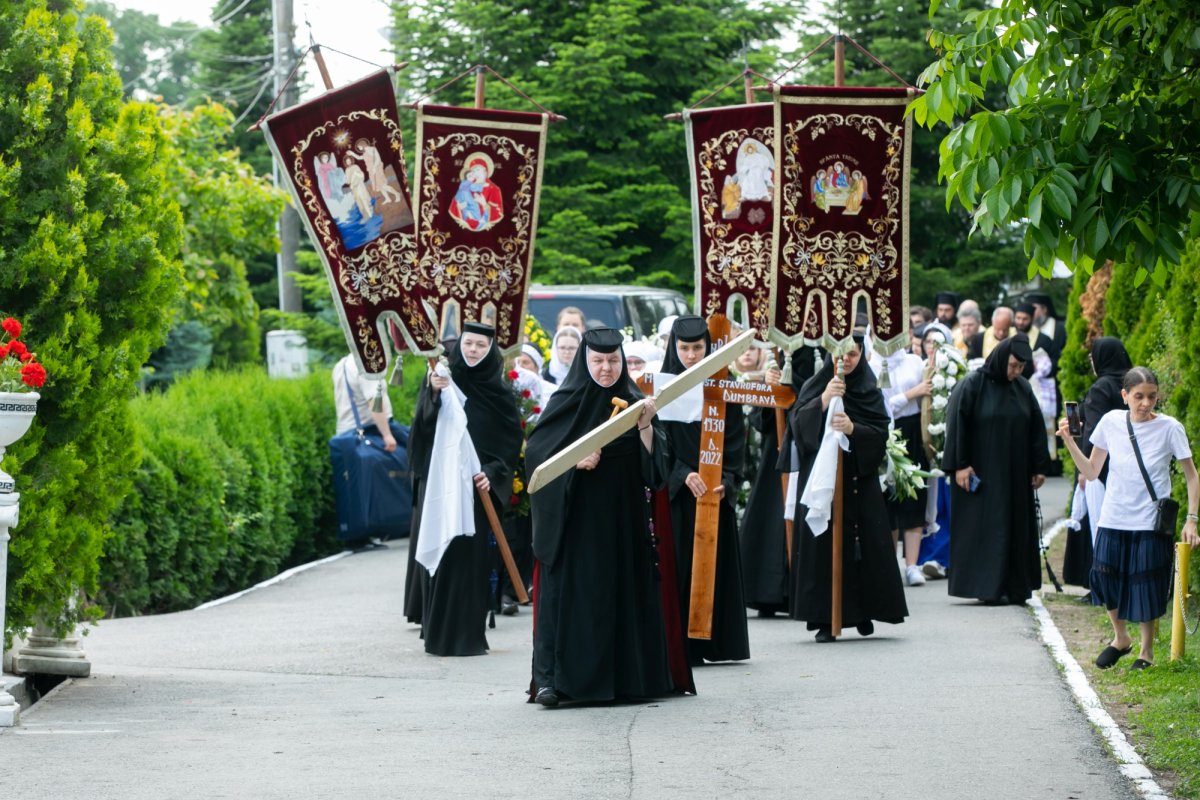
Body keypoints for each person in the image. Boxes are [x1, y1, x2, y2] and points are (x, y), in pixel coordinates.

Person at [527, 327, 692, 705]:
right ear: (586, 361)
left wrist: (647, 426)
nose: (605, 369)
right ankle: (558, 681)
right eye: (598, 361)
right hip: (578, 522)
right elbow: (538, 457)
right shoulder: (566, 400)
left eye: (613, 361)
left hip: (625, 519)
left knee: (625, 592)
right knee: (576, 597)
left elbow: (657, 471)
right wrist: (573, 462)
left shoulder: (636, 401)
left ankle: (628, 680)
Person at [1058, 366, 1200, 670]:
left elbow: (1191, 475)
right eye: (1138, 396)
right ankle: (1120, 638)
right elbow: (1092, 471)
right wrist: (1069, 441)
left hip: (1150, 519)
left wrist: (1192, 518)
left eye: (1151, 396)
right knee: (1104, 577)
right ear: (1125, 396)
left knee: (1146, 581)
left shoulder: (1170, 427)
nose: (1146, 403)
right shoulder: (1110, 422)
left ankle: (1146, 652)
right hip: (1113, 515)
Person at [406, 323, 523, 655]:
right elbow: (422, 427)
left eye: (481, 346)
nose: (473, 350)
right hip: (442, 484)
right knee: (442, 553)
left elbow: (509, 442)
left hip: (475, 489)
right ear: (459, 346)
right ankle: (437, 633)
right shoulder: (442, 381)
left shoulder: (498, 392)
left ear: (491, 351)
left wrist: (493, 472)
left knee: (471, 560)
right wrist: (432, 392)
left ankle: (469, 636)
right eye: (469, 343)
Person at [785, 334, 908, 642]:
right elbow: (797, 426)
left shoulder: (868, 388)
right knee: (823, 548)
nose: (848, 361)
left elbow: (880, 435)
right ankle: (826, 618)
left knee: (864, 548)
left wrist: (854, 429)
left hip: (859, 483)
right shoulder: (818, 384)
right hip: (824, 482)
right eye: (842, 355)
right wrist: (824, 400)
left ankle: (863, 612)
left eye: (853, 354)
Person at [659, 316, 750, 664]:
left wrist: (726, 478)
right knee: (678, 564)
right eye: (684, 348)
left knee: (716, 565)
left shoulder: (725, 385)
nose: (692, 356)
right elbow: (657, 443)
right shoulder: (663, 387)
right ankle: (679, 646)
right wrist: (682, 474)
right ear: (674, 348)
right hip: (679, 495)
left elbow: (737, 440)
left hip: (714, 493)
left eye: (698, 348)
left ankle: (717, 643)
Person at [941, 335, 1049, 605]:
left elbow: (1036, 427)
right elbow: (957, 425)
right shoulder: (973, 385)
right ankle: (986, 587)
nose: (1016, 372)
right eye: (1013, 366)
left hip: (1015, 475)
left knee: (1013, 528)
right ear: (1001, 359)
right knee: (985, 530)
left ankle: (1014, 587)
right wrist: (961, 465)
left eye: (1021, 368)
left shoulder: (1022, 388)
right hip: (981, 475)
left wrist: (1038, 466)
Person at [742, 346, 821, 616]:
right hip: (775, 452)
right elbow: (760, 419)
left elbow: (815, 397)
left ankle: (797, 592)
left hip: (807, 450)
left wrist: (790, 388)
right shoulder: (776, 361)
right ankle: (767, 593)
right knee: (771, 515)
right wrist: (770, 389)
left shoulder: (818, 358)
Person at [880, 338, 932, 587]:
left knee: (915, 497)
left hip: (913, 430)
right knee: (888, 498)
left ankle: (912, 564)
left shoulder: (913, 361)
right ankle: (889, 565)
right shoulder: (872, 363)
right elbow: (883, 403)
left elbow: (928, 394)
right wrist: (912, 393)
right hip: (886, 432)